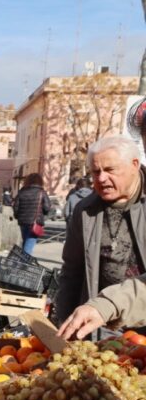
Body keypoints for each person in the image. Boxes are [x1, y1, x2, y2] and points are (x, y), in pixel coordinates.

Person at [53, 135, 146, 325]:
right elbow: (72, 271)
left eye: (110, 170)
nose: (101, 178)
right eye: (95, 172)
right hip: (100, 322)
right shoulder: (85, 210)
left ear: (134, 164)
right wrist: (62, 319)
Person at [12, 173, 52, 255]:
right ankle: (23, 265)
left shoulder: (22, 192)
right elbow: (47, 208)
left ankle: (21, 263)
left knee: (25, 242)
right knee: (29, 245)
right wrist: (43, 213)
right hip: (35, 222)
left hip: (23, 222)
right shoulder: (42, 192)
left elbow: (16, 207)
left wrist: (17, 216)